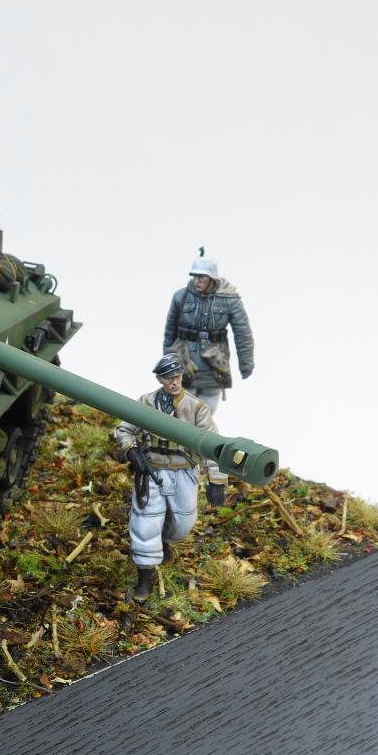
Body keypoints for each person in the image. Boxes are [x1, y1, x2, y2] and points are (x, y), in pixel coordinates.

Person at [113, 354, 228, 601]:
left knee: (183, 523)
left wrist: (217, 480)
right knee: (145, 523)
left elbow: (212, 444)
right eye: (168, 378)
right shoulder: (146, 402)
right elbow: (124, 430)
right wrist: (132, 451)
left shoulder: (196, 408)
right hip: (152, 470)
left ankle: (164, 541)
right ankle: (145, 578)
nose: (173, 382)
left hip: (183, 471)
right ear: (160, 379)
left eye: (177, 376)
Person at [162, 249, 254, 412]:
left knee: (206, 410)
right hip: (185, 359)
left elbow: (242, 333)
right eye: (195, 276)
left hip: (214, 362)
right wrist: (168, 360)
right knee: (182, 408)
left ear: (212, 278)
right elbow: (170, 331)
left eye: (202, 277)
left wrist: (246, 363)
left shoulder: (230, 300)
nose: (197, 281)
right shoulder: (180, 297)